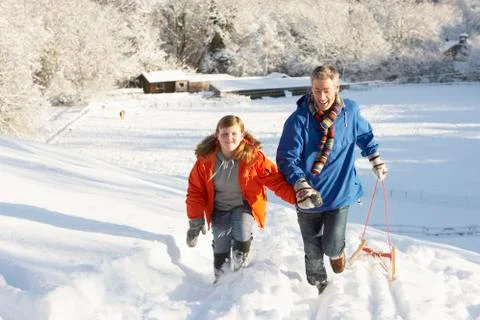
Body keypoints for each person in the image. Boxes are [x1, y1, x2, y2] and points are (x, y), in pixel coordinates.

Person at [276, 65, 388, 294]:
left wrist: (375, 158)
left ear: (337, 88)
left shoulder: (350, 113)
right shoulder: (299, 120)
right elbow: (287, 157)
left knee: (331, 245)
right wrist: (300, 183)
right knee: (312, 248)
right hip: (309, 195)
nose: (321, 96)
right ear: (311, 89)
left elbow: (365, 135)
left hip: (340, 192)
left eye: (326, 90)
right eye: (317, 90)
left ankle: (337, 252)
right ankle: (318, 288)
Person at [185, 115, 296, 282]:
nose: (229, 138)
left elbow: (276, 181)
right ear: (217, 136)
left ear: (242, 135)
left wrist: (298, 198)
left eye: (234, 134)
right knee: (221, 244)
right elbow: (195, 191)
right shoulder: (205, 161)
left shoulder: (254, 158)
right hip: (219, 209)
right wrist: (195, 221)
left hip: (243, 206)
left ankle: (239, 275)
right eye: (224, 134)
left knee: (242, 231)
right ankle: (221, 280)